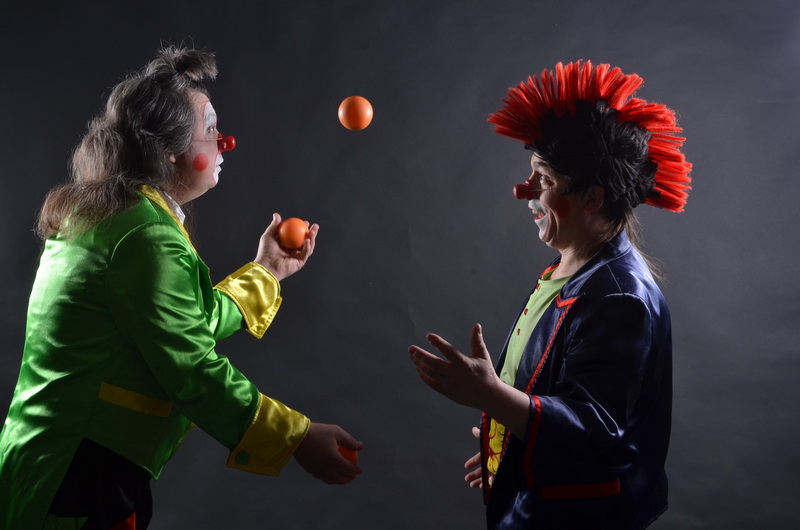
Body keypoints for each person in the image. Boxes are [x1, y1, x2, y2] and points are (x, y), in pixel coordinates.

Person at [0, 45, 363, 529]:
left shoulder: (118, 217)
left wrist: (267, 270)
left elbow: (184, 323)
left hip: (63, 462)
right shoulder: (144, 236)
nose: (225, 142)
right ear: (168, 151)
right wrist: (294, 437)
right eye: (211, 130)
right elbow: (190, 367)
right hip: (81, 476)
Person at [408, 60, 691, 529]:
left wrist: (490, 396)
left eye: (544, 180)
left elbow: (595, 431)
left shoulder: (619, 298)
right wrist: (513, 452)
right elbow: (551, 392)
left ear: (592, 198)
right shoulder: (567, 269)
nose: (525, 192)